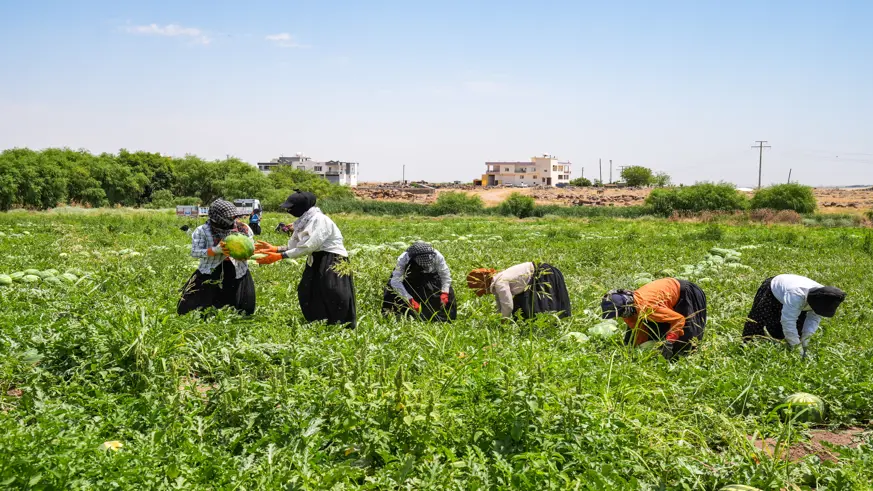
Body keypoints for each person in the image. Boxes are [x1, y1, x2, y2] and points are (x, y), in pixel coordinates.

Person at [254, 191, 356, 328]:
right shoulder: (303, 221)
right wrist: (275, 248)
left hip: (333, 258)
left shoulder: (319, 220)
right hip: (316, 258)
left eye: (291, 207)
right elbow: (294, 245)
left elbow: (308, 246)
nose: (289, 210)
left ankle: (341, 324)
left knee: (333, 292)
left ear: (302, 207)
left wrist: (279, 257)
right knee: (307, 289)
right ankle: (318, 321)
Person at [178, 199, 256, 316]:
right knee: (197, 309)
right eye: (229, 217)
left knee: (241, 309)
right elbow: (195, 252)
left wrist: (244, 255)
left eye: (233, 216)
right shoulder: (203, 230)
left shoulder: (243, 228)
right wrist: (215, 250)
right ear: (216, 217)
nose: (232, 219)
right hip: (211, 270)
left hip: (238, 270)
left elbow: (251, 247)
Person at [600, 278, 707, 360]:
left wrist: (670, 341)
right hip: (666, 300)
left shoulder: (647, 307)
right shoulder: (629, 313)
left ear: (626, 307)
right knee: (654, 332)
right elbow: (639, 331)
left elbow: (678, 320)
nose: (619, 316)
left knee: (688, 340)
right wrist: (636, 350)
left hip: (687, 292)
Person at [742, 274, 845, 357]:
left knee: (798, 329)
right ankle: (747, 349)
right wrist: (798, 349)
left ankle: (784, 346)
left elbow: (813, 319)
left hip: (797, 297)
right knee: (760, 321)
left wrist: (805, 344)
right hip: (773, 290)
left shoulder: (825, 298)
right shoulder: (796, 295)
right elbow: (788, 322)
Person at [466, 262, 571, 320]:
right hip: (534, 279)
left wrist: (504, 321)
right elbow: (501, 303)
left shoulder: (500, 282)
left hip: (543, 275)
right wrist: (498, 317)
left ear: (482, 284)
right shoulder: (497, 280)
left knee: (543, 308)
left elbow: (508, 306)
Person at [382, 241, 457, 321]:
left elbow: (445, 275)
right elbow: (395, 281)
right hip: (412, 279)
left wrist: (444, 293)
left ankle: (442, 319)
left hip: (432, 278)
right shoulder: (403, 259)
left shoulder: (437, 256)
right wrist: (409, 300)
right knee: (391, 292)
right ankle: (396, 317)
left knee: (448, 296)